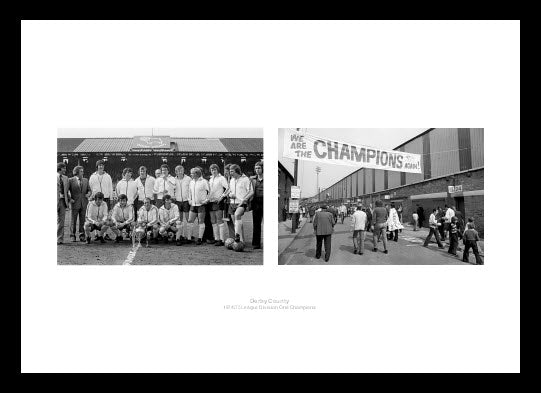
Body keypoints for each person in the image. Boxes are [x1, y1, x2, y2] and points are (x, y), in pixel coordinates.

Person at [227, 164, 254, 244]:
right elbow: (229, 191)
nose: (230, 173)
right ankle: (241, 241)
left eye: (232, 171)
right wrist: (230, 195)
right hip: (232, 203)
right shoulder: (231, 180)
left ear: (237, 171)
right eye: (230, 171)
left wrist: (244, 200)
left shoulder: (245, 179)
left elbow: (251, 191)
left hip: (241, 203)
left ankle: (237, 238)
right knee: (236, 223)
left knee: (237, 215)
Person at [207, 164, 229, 247]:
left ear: (218, 170)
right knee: (213, 221)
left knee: (219, 220)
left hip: (218, 202)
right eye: (212, 170)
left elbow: (228, 188)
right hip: (211, 202)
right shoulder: (210, 179)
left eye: (215, 169)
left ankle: (222, 240)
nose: (213, 171)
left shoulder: (221, 178)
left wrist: (221, 197)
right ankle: (216, 238)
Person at [68, 165, 91, 242]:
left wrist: (88, 194)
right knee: (73, 220)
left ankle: (82, 235)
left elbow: (89, 190)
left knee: (83, 220)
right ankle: (72, 236)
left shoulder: (86, 180)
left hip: (84, 203)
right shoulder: (70, 180)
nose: (83, 172)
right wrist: (70, 199)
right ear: (77, 172)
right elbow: (66, 191)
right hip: (75, 203)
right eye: (81, 171)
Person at [187, 167, 210, 245]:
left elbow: (210, 192)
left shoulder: (204, 182)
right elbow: (189, 192)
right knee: (190, 221)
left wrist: (205, 201)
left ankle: (200, 238)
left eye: (192, 173)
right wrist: (189, 200)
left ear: (196, 174)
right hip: (193, 205)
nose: (191, 175)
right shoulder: (191, 182)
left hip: (201, 205)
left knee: (201, 221)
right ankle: (189, 238)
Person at [171, 165, 192, 244]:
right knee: (179, 220)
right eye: (178, 170)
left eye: (181, 170)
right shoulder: (173, 179)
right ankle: (181, 236)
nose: (180, 172)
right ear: (176, 172)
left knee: (188, 219)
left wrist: (190, 199)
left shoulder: (188, 179)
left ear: (183, 171)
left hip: (186, 201)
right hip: (178, 201)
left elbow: (191, 189)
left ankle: (189, 237)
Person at [250, 161, 264, 249]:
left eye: (259, 168)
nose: (257, 170)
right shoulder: (252, 179)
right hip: (256, 202)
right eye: (256, 168)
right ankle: (256, 243)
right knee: (256, 224)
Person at [57, 162, 70, 245]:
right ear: (59, 168)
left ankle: (59, 239)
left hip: (62, 201)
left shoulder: (66, 178)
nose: (65, 169)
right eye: (64, 168)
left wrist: (68, 199)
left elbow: (67, 190)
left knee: (61, 221)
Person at [222, 164, 236, 238]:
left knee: (234, 220)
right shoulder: (225, 179)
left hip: (233, 202)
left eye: (227, 171)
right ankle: (232, 236)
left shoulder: (233, 180)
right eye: (225, 171)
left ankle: (236, 236)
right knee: (228, 220)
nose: (226, 173)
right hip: (226, 203)